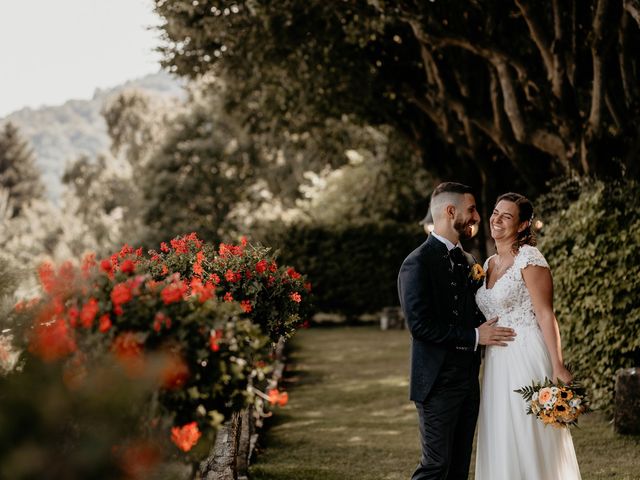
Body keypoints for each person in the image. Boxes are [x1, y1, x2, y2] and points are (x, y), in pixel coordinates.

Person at [398, 182, 517, 480]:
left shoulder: (470, 261)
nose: (478, 217)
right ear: (451, 211)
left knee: (459, 467)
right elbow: (420, 326)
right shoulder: (416, 264)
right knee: (436, 466)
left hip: (469, 381)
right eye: (472, 209)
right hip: (437, 383)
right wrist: (475, 336)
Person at [474, 192, 581, 479]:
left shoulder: (530, 259)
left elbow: (546, 314)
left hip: (525, 355)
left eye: (507, 216)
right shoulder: (487, 264)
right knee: (502, 432)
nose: (497, 219)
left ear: (522, 225)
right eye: (496, 212)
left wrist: (558, 366)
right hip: (497, 361)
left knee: (526, 433)